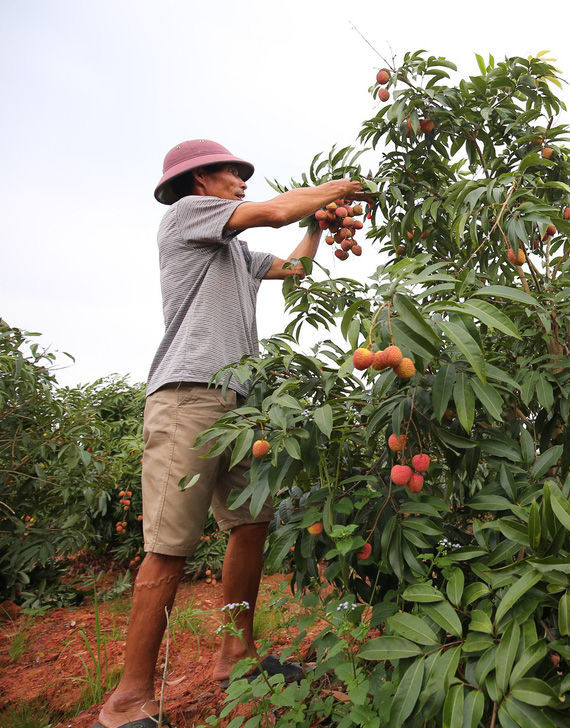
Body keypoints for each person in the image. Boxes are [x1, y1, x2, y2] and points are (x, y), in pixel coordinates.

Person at [95, 139, 366, 728]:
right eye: (230, 174)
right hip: (187, 395)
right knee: (168, 547)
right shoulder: (184, 216)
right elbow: (274, 209)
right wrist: (337, 192)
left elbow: (293, 266)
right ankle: (127, 697)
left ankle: (235, 654)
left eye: (243, 175)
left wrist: (320, 227)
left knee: (251, 525)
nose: (242, 181)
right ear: (199, 182)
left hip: (243, 407)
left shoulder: (235, 254)